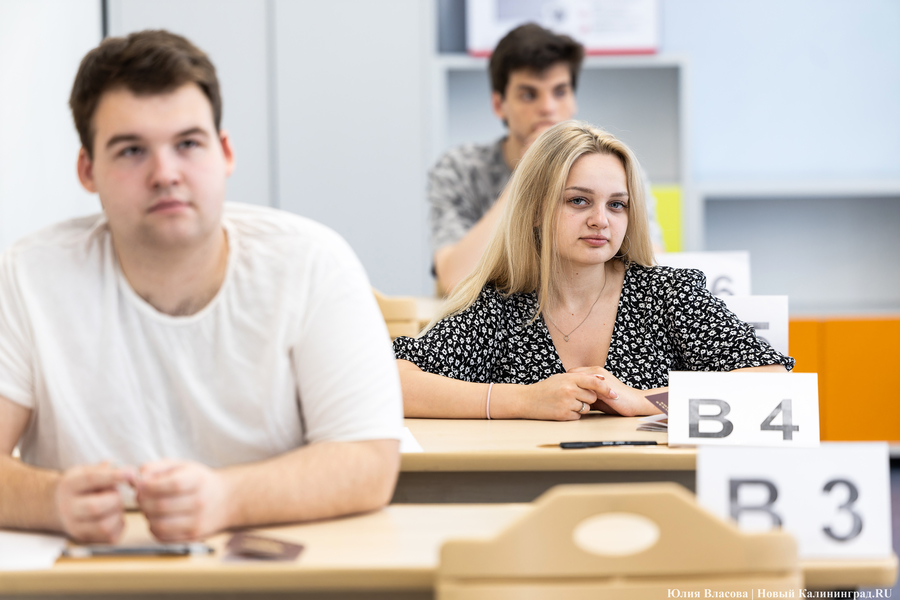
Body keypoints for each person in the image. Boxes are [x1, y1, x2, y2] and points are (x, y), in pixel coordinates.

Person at [0, 30, 402, 543]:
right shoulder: (28, 276)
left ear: (225, 152)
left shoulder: (314, 263)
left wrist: (226, 498)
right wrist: (49, 500)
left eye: (188, 144)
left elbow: (369, 460)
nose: (165, 174)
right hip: (91, 574)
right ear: (88, 170)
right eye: (131, 151)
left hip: (274, 572)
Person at [396, 121, 793, 420]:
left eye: (616, 205)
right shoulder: (500, 304)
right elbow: (393, 382)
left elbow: (771, 378)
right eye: (579, 201)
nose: (601, 220)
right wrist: (525, 400)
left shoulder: (668, 293)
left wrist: (643, 400)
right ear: (535, 210)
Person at [430, 23, 664, 294]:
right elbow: (454, 279)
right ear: (499, 105)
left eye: (560, 92)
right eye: (528, 94)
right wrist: (528, 173)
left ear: (574, 100)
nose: (547, 108)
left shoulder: (613, 169)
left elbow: (650, 268)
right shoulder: (460, 169)